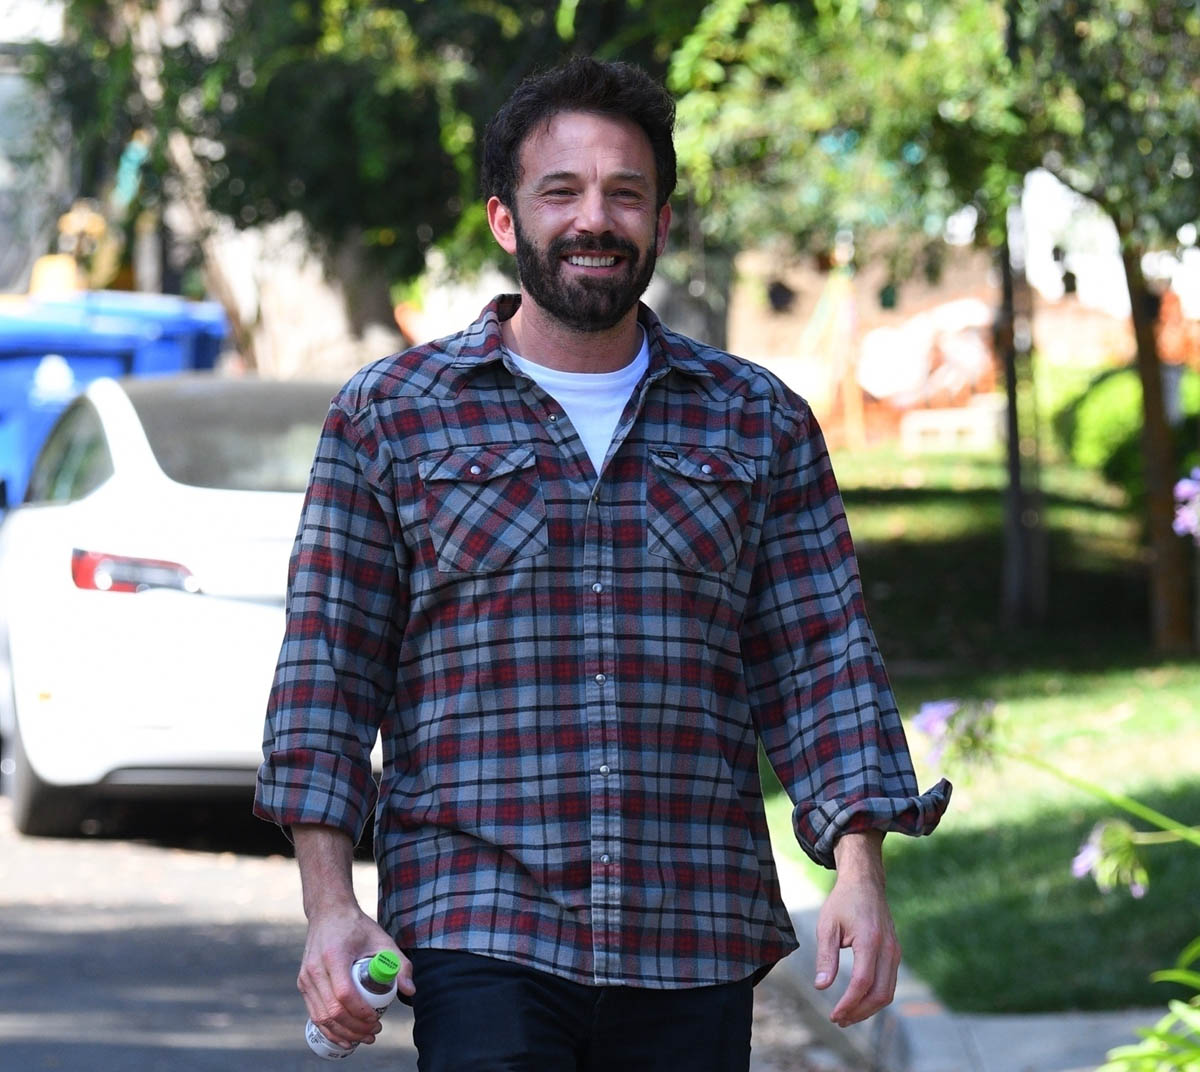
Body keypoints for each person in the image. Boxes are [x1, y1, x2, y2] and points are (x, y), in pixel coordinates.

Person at [255, 55, 951, 1071]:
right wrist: (329, 907)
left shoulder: (757, 421)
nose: (596, 219)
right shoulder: (390, 416)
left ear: (660, 223)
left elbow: (822, 658)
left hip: (693, 931)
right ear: (505, 221)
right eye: (562, 192)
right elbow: (327, 674)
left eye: (626, 194)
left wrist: (859, 869)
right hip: (478, 919)